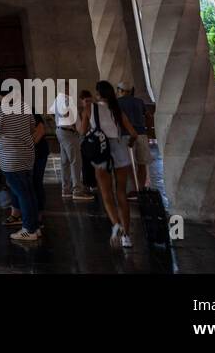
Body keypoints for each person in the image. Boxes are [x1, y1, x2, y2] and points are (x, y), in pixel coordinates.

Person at [77, 80, 141, 248]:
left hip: (101, 150)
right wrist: (129, 144)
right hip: (119, 149)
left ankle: (116, 224)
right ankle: (127, 236)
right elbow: (133, 133)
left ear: (97, 94)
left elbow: (83, 131)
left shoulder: (90, 108)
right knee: (121, 193)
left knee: (106, 194)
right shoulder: (117, 108)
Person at [0, 100, 40, 244]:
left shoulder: (1, 110)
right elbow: (32, 129)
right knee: (29, 192)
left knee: (23, 194)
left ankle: (28, 230)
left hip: (11, 159)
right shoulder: (25, 109)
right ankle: (35, 227)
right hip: (27, 156)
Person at [53, 84, 92, 201]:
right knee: (75, 161)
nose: (69, 90)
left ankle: (66, 189)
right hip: (69, 132)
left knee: (65, 161)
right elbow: (66, 114)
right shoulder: (65, 100)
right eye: (67, 88)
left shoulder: (57, 100)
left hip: (61, 131)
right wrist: (76, 127)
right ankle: (77, 190)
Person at [116, 82, 151, 193]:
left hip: (126, 135)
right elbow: (149, 116)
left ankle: (132, 189)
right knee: (142, 164)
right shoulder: (139, 102)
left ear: (120, 90)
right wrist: (148, 130)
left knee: (129, 164)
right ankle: (141, 188)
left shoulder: (117, 103)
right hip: (141, 134)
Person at [30, 113, 49, 217]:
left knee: (36, 181)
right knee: (32, 182)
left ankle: (39, 213)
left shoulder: (31, 112)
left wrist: (29, 146)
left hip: (39, 152)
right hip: (31, 152)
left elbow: (41, 131)